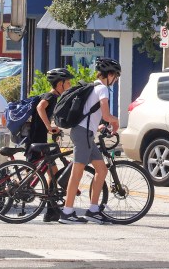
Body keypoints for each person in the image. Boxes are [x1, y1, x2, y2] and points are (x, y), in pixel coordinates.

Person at [58, 57, 121, 224]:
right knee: (77, 173)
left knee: (102, 169)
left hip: (85, 133)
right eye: (116, 76)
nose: (116, 80)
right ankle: (67, 212)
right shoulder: (103, 89)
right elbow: (106, 115)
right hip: (83, 134)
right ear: (110, 75)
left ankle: (93, 210)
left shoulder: (93, 87)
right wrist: (115, 121)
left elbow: (91, 113)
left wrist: (98, 126)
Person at [33, 67, 73, 222]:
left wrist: (52, 128)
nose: (69, 85)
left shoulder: (54, 97)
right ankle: (9, 188)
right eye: (67, 82)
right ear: (59, 84)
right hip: (36, 139)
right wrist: (49, 127)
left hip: (39, 139)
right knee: (42, 175)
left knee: (52, 174)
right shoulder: (50, 96)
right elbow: (40, 107)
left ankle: (51, 211)